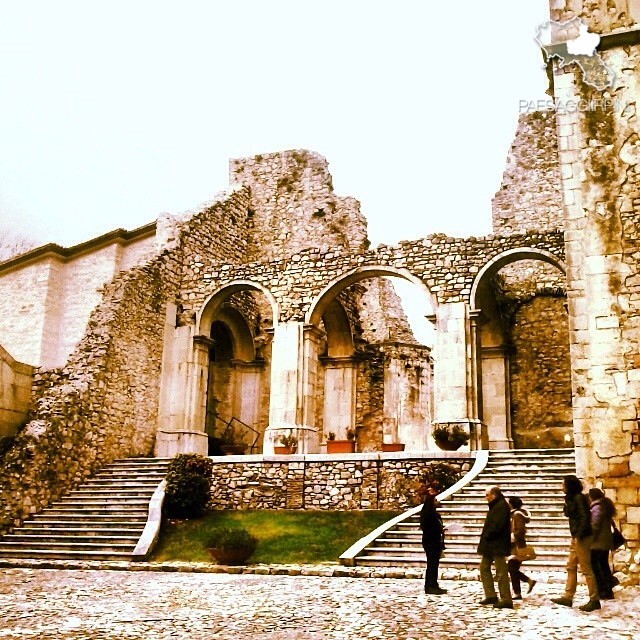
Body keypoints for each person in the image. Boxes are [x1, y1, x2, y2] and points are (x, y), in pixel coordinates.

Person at [551, 474, 601, 612]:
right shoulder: (572, 498)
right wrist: (567, 500)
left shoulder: (579, 498)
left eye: (563, 484)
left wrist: (579, 534)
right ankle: (568, 596)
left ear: (569, 485)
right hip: (576, 535)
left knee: (586, 568)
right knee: (571, 565)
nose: (561, 486)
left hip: (582, 536)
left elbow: (585, 516)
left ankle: (594, 599)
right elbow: (567, 513)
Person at [477, 486, 513, 609]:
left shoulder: (501, 506)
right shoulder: (496, 506)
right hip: (491, 544)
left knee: (501, 571)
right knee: (484, 568)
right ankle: (491, 594)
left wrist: (487, 534)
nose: (486, 498)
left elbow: (497, 525)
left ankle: (506, 598)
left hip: (497, 544)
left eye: (487, 495)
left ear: (494, 495)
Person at [588, 487, 617, 600]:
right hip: (605, 541)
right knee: (603, 565)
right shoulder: (605, 506)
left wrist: (589, 538)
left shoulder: (597, 508)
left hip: (598, 543)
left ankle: (603, 590)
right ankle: (608, 588)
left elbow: (595, 525)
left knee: (597, 567)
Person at [507, 496, 536, 599]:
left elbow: (520, 530)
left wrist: (512, 536)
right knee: (512, 569)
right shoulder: (515, 514)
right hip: (516, 545)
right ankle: (518, 591)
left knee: (511, 568)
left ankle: (526, 584)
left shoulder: (517, 515)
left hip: (517, 546)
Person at [419, 484, 447, 595]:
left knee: (434, 564)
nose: (436, 502)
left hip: (435, 541)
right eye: (435, 500)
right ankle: (430, 586)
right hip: (430, 541)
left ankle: (434, 584)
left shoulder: (433, 513)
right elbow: (427, 527)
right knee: (431, 564)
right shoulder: (427, 512)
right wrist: (438, 529)